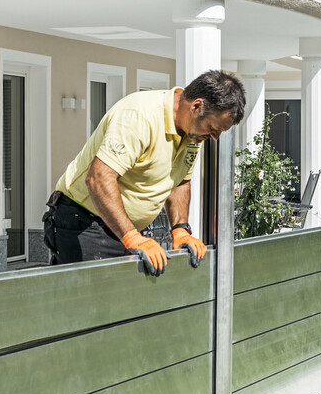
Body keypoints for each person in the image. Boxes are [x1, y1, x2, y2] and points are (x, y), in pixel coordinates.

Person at [43, 70, 246, 274]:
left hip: (125, 229)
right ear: (197, 106)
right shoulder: (139, 115)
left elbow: (179, 182)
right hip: (84, 221)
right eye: (213, 128)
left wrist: (180, 229)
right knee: (91, 302)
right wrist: (131, 237)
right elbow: (99, 178)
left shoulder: (193, 132)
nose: (215, 137)